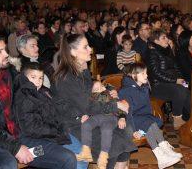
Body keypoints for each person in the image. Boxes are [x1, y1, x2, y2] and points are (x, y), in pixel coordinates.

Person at [51, 33, 136, 169]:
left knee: (124, 136)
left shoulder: (81, 71)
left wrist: (108, 91)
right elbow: (87, 105)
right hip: (73, 124)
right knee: (114, 144)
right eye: (85, 47)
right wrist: (116, 105)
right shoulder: (66, 77)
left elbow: (91, 93)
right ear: (72, 52)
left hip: (88, 117)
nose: (90, 49)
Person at [0, 34, 33, 169]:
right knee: (7, 163)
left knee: (64, 156)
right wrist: (15, 147)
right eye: (0, 51)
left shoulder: (10, 73)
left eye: (5, 49)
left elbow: (31, 95)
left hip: (18, 133)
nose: (6, 54)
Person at [13, 62, 77, 169]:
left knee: (82, 151)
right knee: (68, 157)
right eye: (33, 77)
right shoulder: (24, 97)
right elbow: (30, 128)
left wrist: (74, 117)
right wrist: (56, 131)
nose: (37, 82)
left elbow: (58, 108)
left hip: (48, 136)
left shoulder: (43, 92)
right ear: (24, 78)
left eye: (40, 78)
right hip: (29, 145)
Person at [119, 63, 182, 169]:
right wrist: (134, 130)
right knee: (148, 124)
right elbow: (127, 112)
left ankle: (165, 150)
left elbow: (146, 108)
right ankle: (161, 156)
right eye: (143, 73)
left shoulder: (143, 88)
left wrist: (149, 118)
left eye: (146, 73)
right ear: (134, 75)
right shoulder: (126, 91)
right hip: (133, 119)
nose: (146, 75)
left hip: (143, 117)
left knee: (153, 122)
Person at [76, 81, 127, 169]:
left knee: (106, 130)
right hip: (97, 117)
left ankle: (103, 157)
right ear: (92, 92)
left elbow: (120, 107)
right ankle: (85, 152)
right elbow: (89, 108)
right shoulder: (92, 98)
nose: (99, 90)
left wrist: (122, 117)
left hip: (110, 117)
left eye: (101, 87)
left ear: (104, 87)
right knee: (86, 125)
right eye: (96, 89)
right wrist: (85, 114)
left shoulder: (110, 95)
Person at [147, 29, 191, 130]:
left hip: (174, 82)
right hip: (159, 86)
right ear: (156, 41)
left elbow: (176, 67)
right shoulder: (152, 53)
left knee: (188, 86)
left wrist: (181, 79)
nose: (167, 39)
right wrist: (175, 81)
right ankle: (177, 118)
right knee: (180, 89)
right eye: (164, 38)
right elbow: (156, 73)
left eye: (166, 37)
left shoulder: (168, 50)